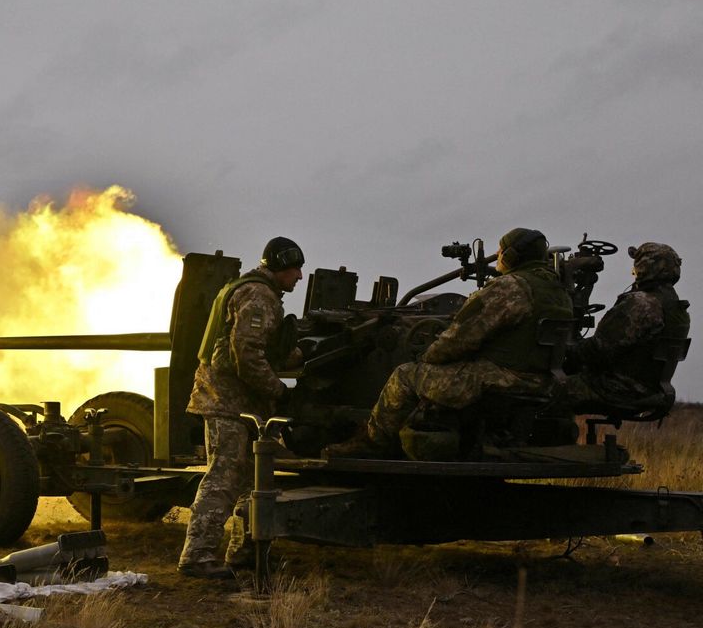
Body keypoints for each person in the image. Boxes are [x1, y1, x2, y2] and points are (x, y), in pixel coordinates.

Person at [325, 227, 573, 460]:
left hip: (501, 380)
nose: (497, 257)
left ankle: (370, 445)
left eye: (500, 252)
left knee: (405, 376)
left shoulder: (509, 287)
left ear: (510, 256)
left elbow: (459, 339)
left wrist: (427, 357)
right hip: (541, 384)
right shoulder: (560, 293)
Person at [178, 236, 304, 579]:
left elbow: (261, 347)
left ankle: (245, 552)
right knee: (223, 478)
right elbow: (246, 355)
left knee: (252, 482)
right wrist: (279, 390)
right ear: (278, 267)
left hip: (239, 403)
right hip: (226, 402)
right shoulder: (258, 296)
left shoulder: (255, 292)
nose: (299, 277)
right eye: (294, 269)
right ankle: (198, 555)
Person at [566, 243, 690, 414]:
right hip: (650, 391)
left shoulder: (641, 304)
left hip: (617, 389)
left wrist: (566, 352)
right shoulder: (677, 308)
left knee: (548, 389)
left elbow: (598, 350)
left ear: (645, 268)